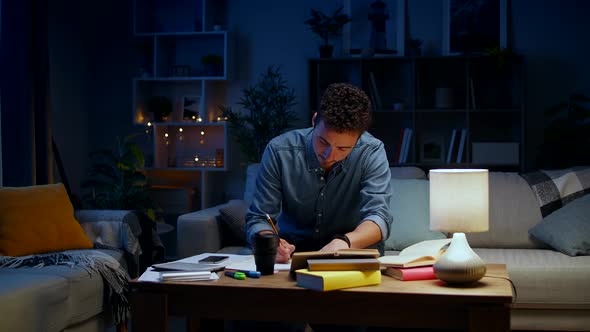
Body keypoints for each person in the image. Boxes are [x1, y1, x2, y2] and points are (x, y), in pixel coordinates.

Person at [245, 82, 393, 263]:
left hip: (351, 253)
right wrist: (270, 242)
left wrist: (344, 242)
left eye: (343, 148)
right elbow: (260, 217)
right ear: (314, 120)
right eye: (323, 142)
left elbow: (378, 216)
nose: (329, 155)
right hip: (293, 257)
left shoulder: (371, 151)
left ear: (359, 138)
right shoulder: (279, 151)